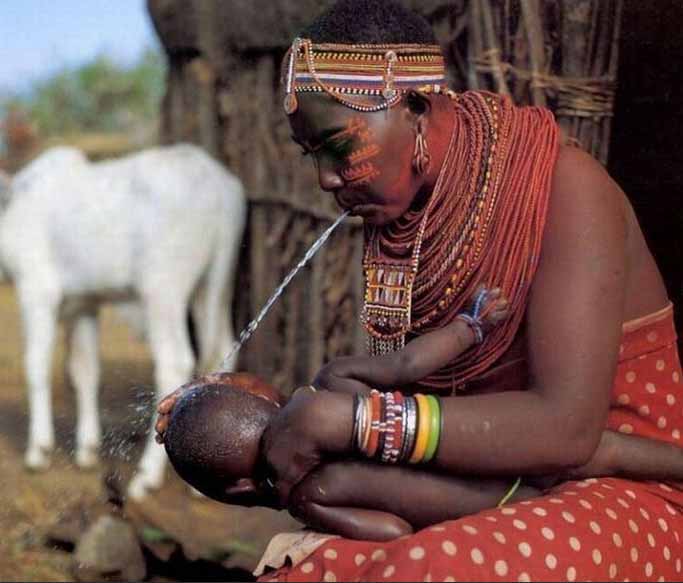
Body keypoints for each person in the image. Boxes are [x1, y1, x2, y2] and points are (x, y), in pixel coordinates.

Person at [158, 1, 683, 580]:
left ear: (415, 107)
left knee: (424, 568)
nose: (325, 179)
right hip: (494, 484)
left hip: (627, 485)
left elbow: (568, 431)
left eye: (338, 146)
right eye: (312, 155)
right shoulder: (409, 219)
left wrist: (358, 423)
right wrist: (259, 425)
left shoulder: (566, 191)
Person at [159, 292, 683, 545]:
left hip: (509, 504)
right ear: (267, 399)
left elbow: (392, 530)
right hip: (494, 437)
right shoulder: (333, 380)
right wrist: (470, 325)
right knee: (603, 449)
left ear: (241, 490)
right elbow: (407, 365)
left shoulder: (311, 496)